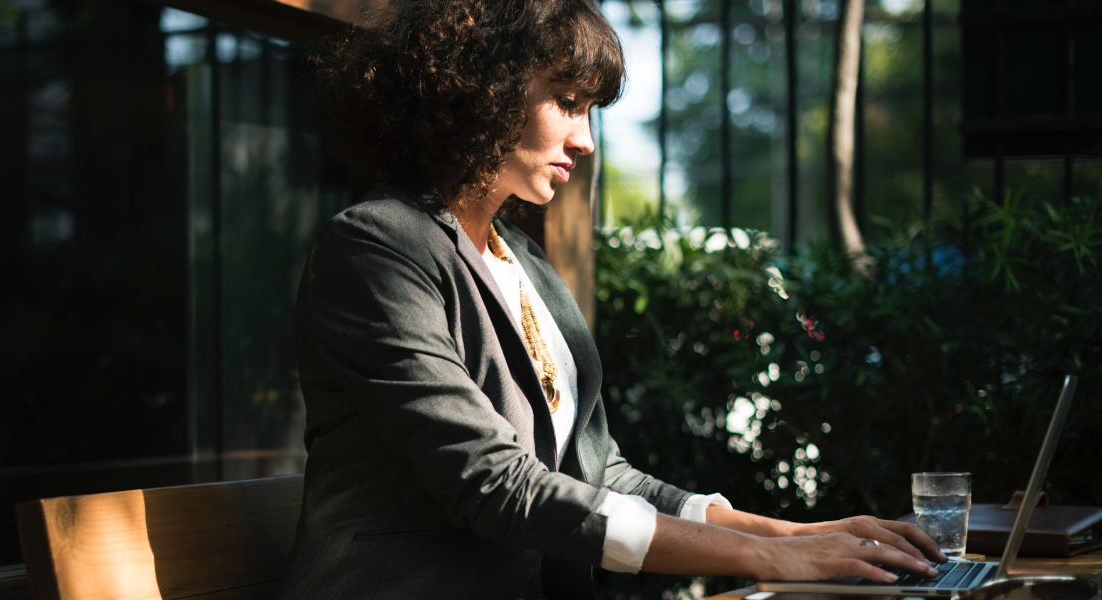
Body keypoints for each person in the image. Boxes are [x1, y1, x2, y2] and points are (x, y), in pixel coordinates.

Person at [275, 1, 945, 598]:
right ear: (482, 88)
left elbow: (602, 474)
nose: (586, 140)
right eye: (566, 101)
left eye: (590, 110)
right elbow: (494, 484)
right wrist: (763, 557)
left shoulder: (521, 261)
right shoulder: (375, 248)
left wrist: (797, 537)